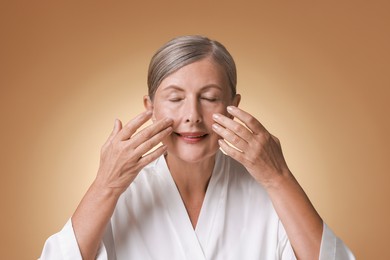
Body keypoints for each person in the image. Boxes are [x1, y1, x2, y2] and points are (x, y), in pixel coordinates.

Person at [40, 35, 355, 260]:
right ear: (150, 107)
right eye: (175, 99)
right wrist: (105, 185)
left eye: (209, 97)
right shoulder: (121, 194)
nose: (192, 115)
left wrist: (279, 177)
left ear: (234, 105)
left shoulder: (268, 192)